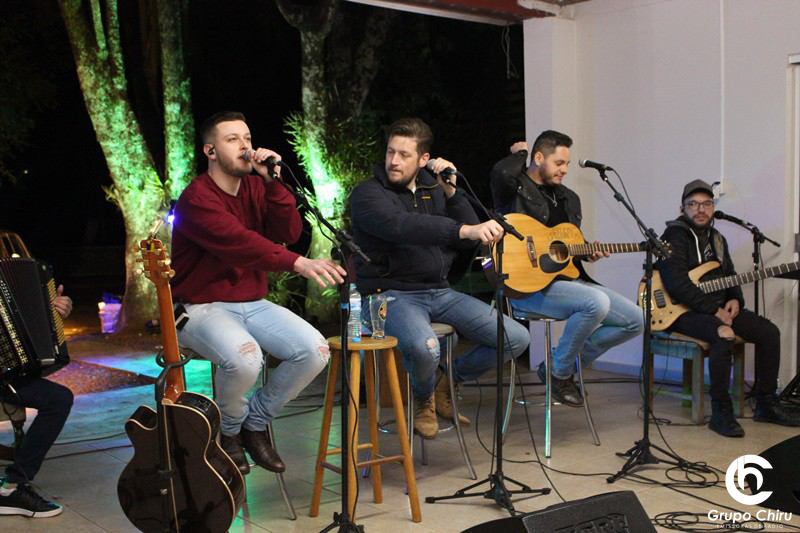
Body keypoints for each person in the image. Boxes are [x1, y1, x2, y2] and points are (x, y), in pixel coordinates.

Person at [171, 111, 346, 473]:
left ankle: (254, 423)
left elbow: (288, 231)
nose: (245, 146)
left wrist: (273, 184)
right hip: (200, 307)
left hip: (250, 301)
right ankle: (228, 433)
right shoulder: (196, 197)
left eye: (247, 138)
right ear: (210, 151)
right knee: (246, 360)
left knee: (315, 351)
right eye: (232, 139)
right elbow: (239, 244)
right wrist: (298, 263)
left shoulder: (256, 187)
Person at [350, 117, 530, 439]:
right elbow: (402, 226)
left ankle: (447, 380)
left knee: (516, 338)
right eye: (390, 152)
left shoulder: (433, 190)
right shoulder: (368, 194)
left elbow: (468, 240)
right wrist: (464, 229)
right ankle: (424, 399)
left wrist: (452, 193)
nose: (393, 161)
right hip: (389, 294)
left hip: (439, 292)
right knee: (425, 347)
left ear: (423, 159)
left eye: (404, 155)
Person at [490, 131, 644, 407]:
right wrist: (521, 153)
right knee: (596, 302)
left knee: (637, 320)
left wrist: (587, 252)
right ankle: (560, 374)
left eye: (567, 164)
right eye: (559, 163)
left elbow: (566, 245)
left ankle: (558, 364)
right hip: (528, 289)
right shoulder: (515, 189)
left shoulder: (569, 198)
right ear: (539, 158)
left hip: (568, 283)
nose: (565, 170)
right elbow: (500, 173)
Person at [657, 180, 800, 437]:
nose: (700, 209)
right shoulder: (673, 236)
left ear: (713, 207)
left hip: (716, 307)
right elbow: (676, 284)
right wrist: (714, 311)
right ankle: (721, 412)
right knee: (723, 334)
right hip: (682, 311)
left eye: (706, 204)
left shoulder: (718, 239)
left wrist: (735, 300)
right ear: (682, 208)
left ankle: (766, 404)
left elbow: (729, 275)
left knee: (769, 332)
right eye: (693, 204)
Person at [0, 285, 74, 518]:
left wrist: (56, 311)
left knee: (59, 398)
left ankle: (12, 486)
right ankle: (12, 487)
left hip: (7, 370)